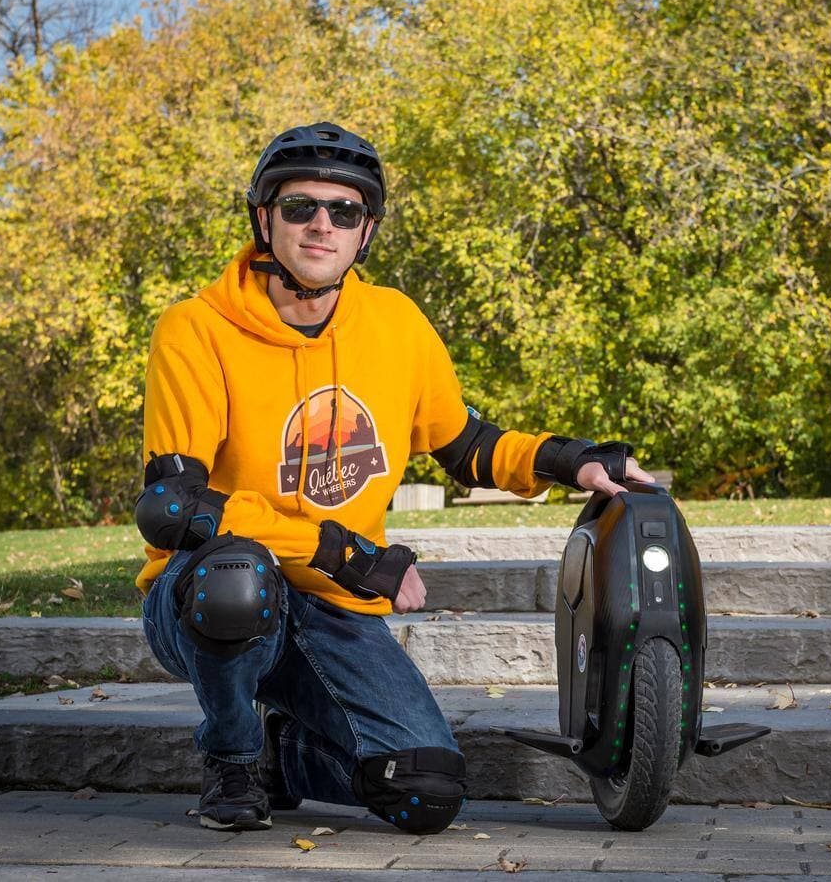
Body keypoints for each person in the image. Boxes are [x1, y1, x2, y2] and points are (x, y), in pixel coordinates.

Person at [134, 122, 654, 834]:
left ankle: (282, 758)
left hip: (332, 606)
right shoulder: (195, 329)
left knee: (426, 790)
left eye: (343, 211)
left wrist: (570, 460)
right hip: (206, 594)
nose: (322, 224)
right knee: (236, 577)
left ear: (365, 229)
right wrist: (347, 554)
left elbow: (467, 444)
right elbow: (172, 507)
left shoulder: (396, 323)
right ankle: (231, 757)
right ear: (264, 218)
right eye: (300, 207)